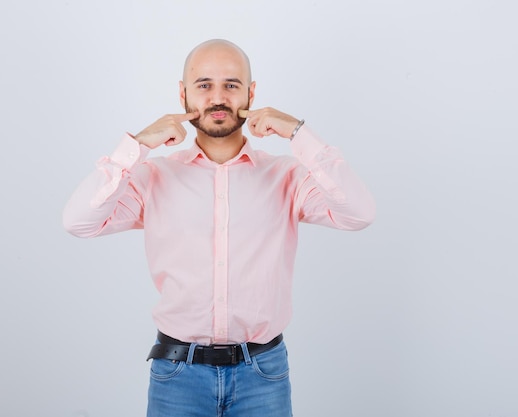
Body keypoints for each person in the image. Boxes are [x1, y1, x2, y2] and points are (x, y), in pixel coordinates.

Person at [63, 38, 376, 417]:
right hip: (177, 375)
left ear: (251, 92)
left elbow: (359, 213)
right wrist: (139, 145)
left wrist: (298, 132)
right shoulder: (153, 177)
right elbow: (78, 221)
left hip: (263, 374)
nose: (218, 97)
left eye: (231, 85)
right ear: (183, 95)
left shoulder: (285, 177)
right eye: (204, 85)